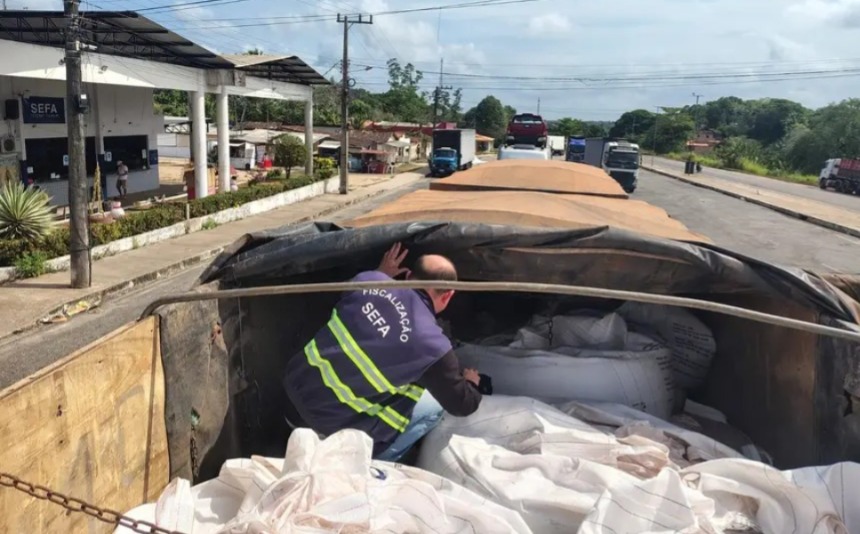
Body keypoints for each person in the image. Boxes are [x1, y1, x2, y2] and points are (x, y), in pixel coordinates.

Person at [282, 243, 483, 461]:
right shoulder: (433, 345)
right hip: (332, 432)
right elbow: (462, 405)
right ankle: (373, 464)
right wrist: (471, 383)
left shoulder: (367, 281)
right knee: (433, 406)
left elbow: (352, 290)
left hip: (292, 400)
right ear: (448, 296)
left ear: (408, 276)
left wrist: (380, 274)